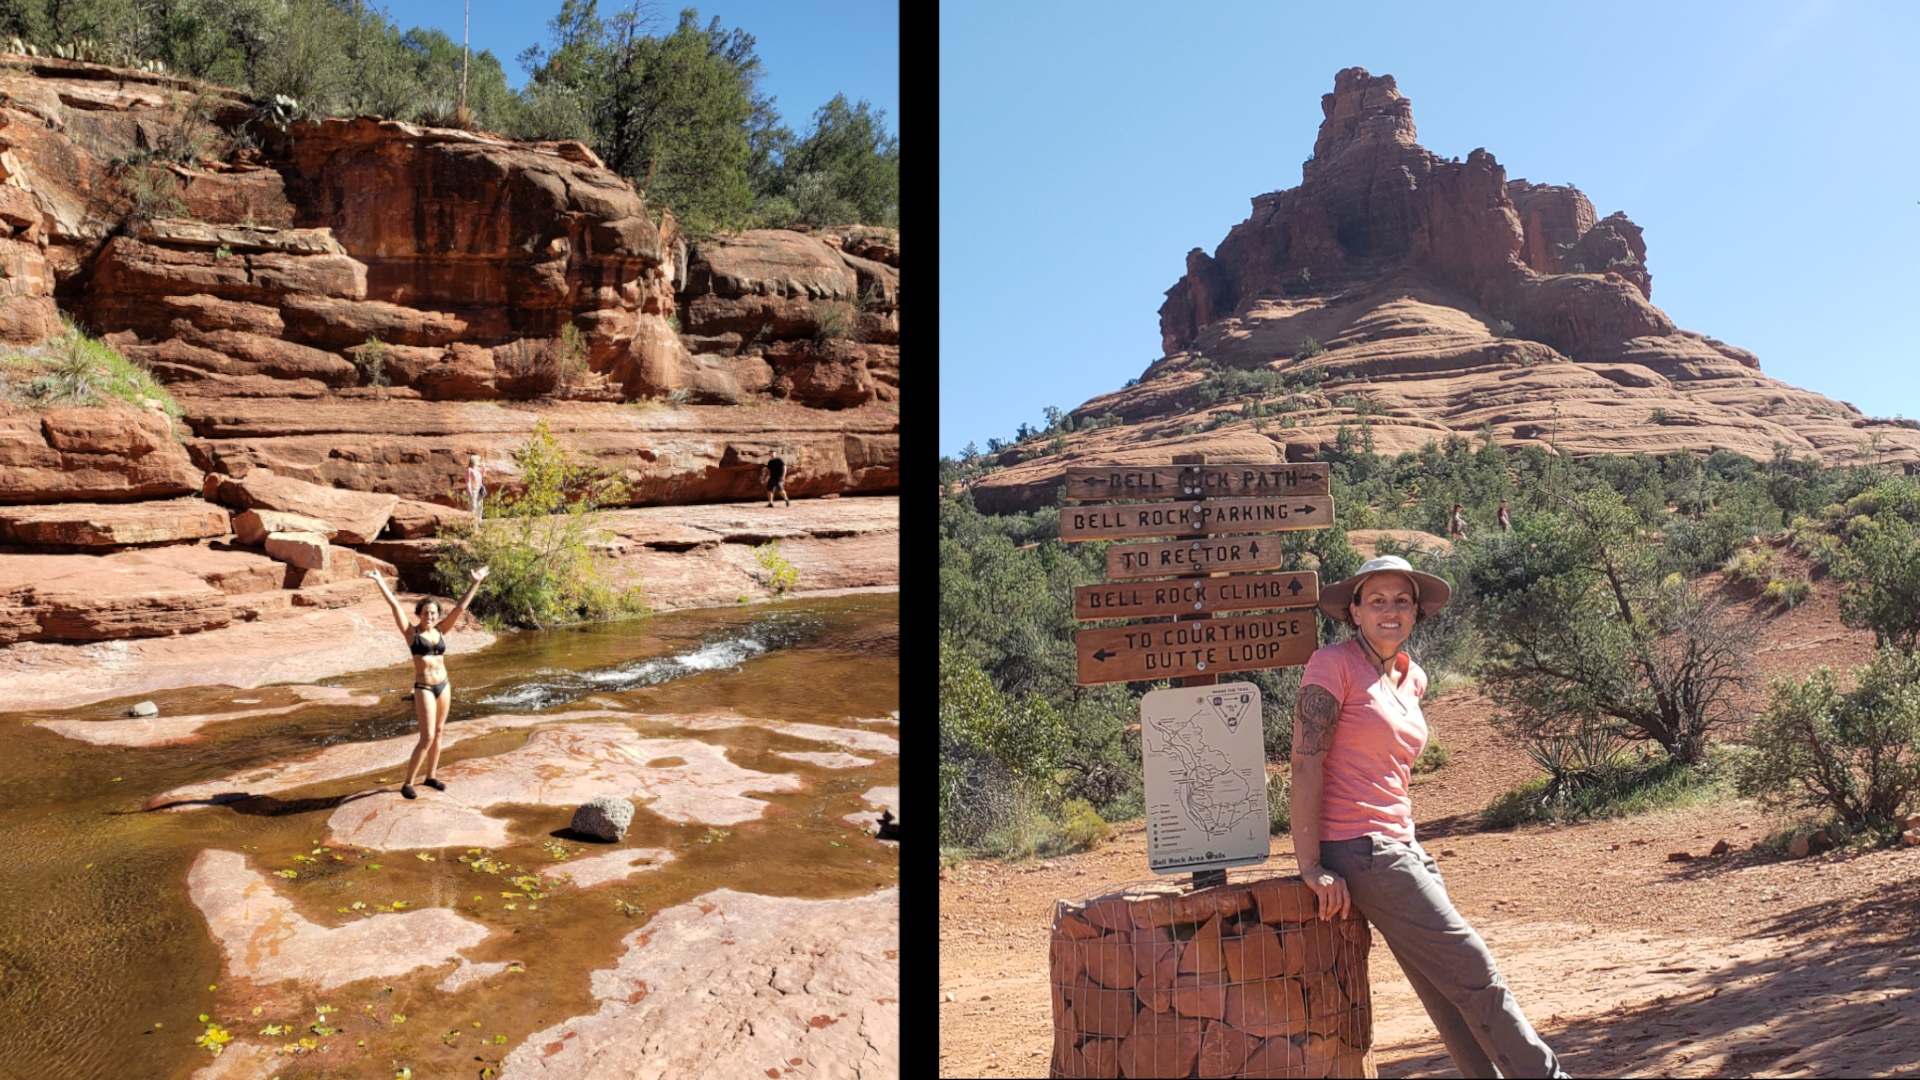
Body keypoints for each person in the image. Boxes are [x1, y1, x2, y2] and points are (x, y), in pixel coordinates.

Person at [1290, 555, 1569, 1078]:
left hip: (1401, 844)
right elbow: (1306, 762)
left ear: (1417, 612)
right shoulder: (1332, 664)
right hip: (1360, 846)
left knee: (1447, 991)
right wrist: (1311, 865)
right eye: (1376, 601)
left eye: (1402, 601)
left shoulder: (1410, 676)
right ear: (1354, 611)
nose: (1389, 610)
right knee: (1473, 967)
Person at [365, 566, 490, 800]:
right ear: (419, 614)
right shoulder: (411, 634)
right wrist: (380, 581)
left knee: (440, 732)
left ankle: (430, 776)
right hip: (423, 688)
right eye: (425, 613)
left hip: (444, 685)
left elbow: (461, 607)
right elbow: (394, 606)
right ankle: (408, 783)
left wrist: (476, 582)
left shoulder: (441, 630)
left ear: (437, 614)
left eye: (433, 613)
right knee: (427, 737)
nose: (429, 617)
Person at [465, 455, 486, 522]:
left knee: (480, 506)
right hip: (473, 490)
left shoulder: (477, 469)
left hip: (479, 489)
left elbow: (483, 475)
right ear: (474, 461)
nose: (478, 462)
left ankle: (479, 521)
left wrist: (483, 467)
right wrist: (469, 490)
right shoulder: (469, 470)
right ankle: (472, 522)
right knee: (473, 506)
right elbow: (468, 480)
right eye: (478, 461)